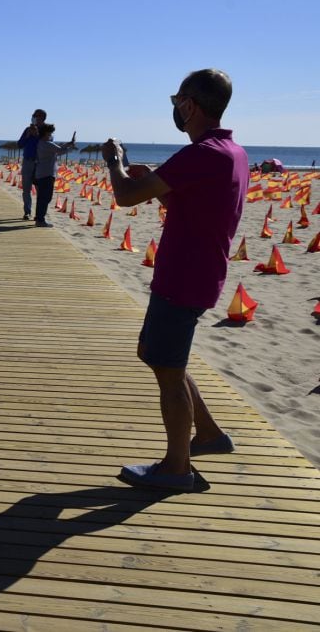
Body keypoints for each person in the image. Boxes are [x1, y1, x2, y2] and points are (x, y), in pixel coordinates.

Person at [103, 69, 247, 492]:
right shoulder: (231, 151)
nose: (174, 107)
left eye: (177, 99)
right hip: (198, 270)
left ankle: (177, 467)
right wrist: (157, 181)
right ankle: (208, 434)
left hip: (185, 274)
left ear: (190, 105)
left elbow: (125, 197)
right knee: (155, 352)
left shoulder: (202, 153)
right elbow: (198, 202)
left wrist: (115, 164)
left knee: (168, 368)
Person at [32, 124, 75, 227]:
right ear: (46, 133)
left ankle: (39, 218)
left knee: (42, 198)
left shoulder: (42, 143)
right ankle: (40, 220)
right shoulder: (47, 144)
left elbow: (58, 148)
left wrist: (69, 143)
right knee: (46, 198)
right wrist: (71, 147)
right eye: (50, 133)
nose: (51, 135)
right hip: (47, 174)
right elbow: (60, 150)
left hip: (41, 174)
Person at [17, 109, 47, 219]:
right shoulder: (27, 130)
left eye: (36, 116)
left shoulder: (46, 130)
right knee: (26, 189)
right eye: (33, 116)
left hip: (40, 163)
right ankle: (27, 212)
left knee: (40, 189)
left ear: (42, 118)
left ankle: (38, 214)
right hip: (28, 161)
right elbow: (19, 144)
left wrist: (38, 134)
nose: (34, 118)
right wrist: (28, 135)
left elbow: (48, 143)